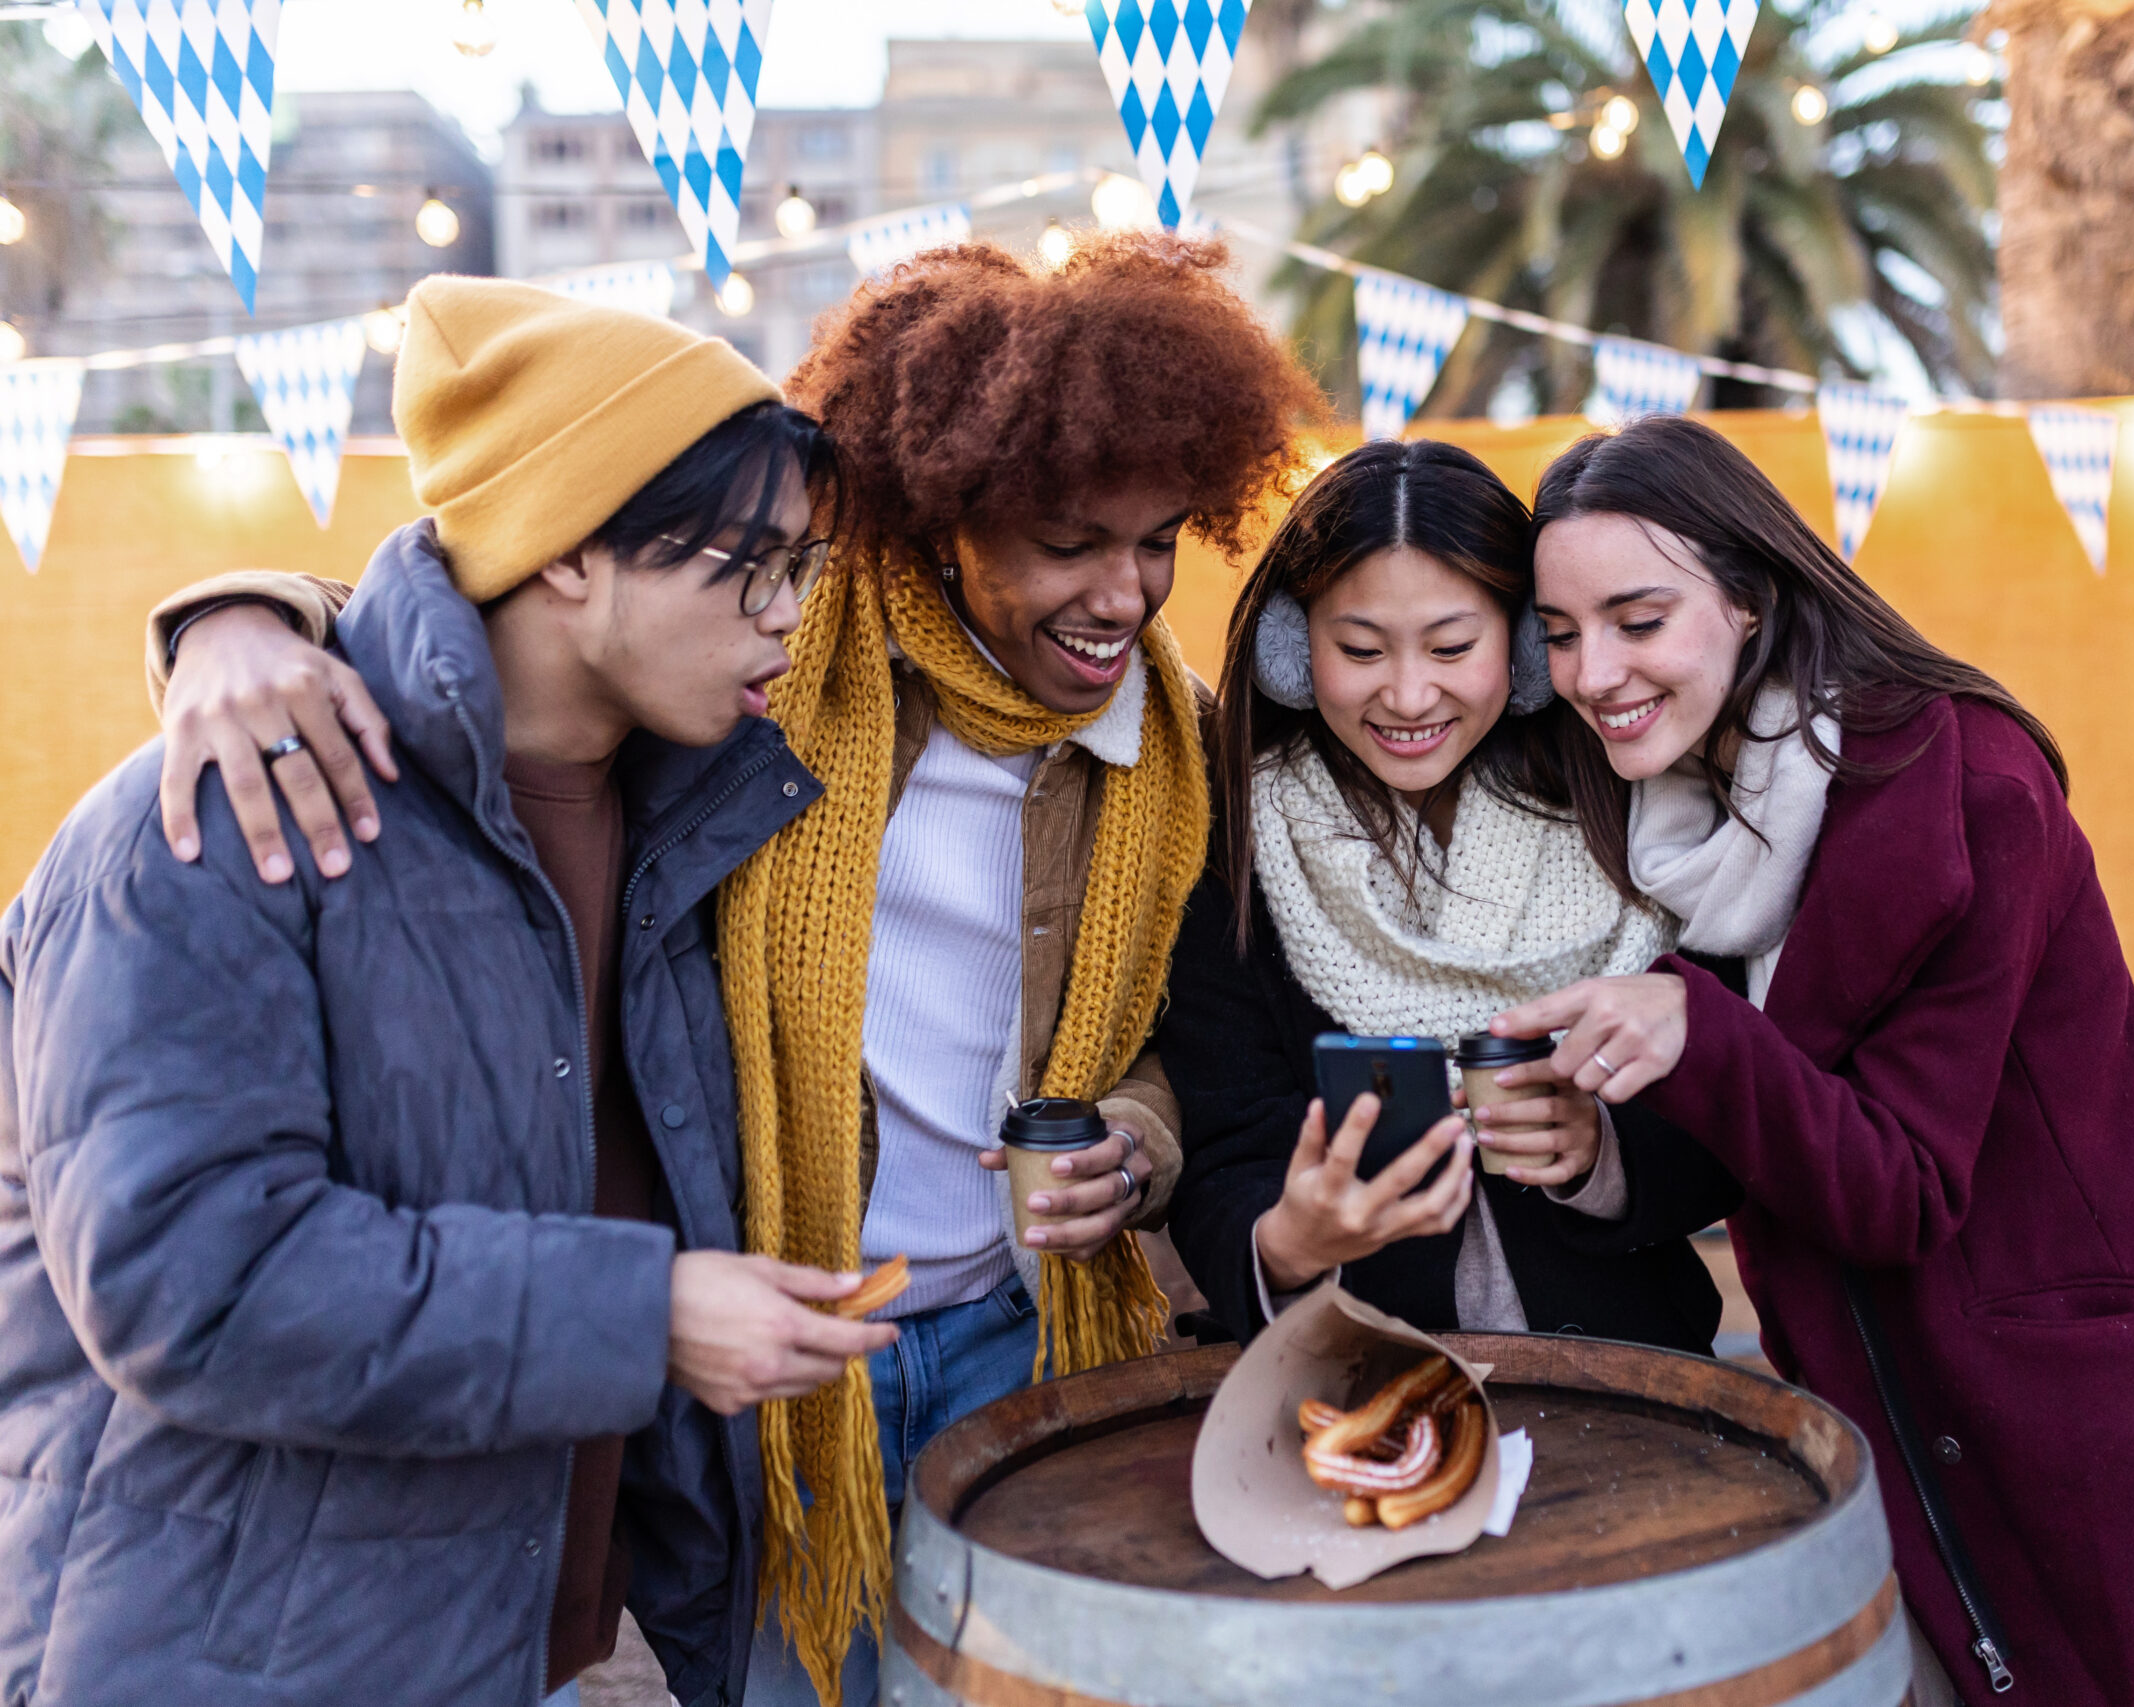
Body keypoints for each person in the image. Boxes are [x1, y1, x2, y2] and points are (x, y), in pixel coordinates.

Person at [131, 233, 1323, 1707]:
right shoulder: (768, 667)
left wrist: (1135, 1137)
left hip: (1022, 1325)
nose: (1125, 592)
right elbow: (516, 614)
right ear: (946, 512)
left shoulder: (1162, 744)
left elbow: (1150, 1033)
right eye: (1071, 543)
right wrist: (242, 617)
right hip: (778, 1338)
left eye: (1160, 540)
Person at [0, 277, 901, 1707]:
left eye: (804, 566)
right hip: (224, 1651)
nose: (789, 616)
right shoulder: (215, 815)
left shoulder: (695, 826)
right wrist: (648, 1312)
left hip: (512, 1643)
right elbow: (192, 1281)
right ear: (563, 555)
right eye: (750, 566)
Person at [1494, 415, 2134, 1707]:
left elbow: (1898, 1178)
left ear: (1751, 598)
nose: (1595, 669)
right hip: (1910, 1424)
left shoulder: (1960, 783)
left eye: (1639, 618)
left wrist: (1698, 1032)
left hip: (2118, 1429)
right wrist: (1605, 1158)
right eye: (1564, 632)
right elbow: (1780, 1116)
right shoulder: (1680, 818)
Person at [1158, 439, 1741, 1349]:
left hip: (1628, 1377)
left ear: (1525, 648)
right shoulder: (1233, 844)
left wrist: (1600, 1154)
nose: (1407, 692)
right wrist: (1286, 1239)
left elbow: (1736, 1092)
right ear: (1290, 648)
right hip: (1352, 1382)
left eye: (1452, 645)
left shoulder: (1633, 805)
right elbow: (1226, 1139)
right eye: (1359, 648)